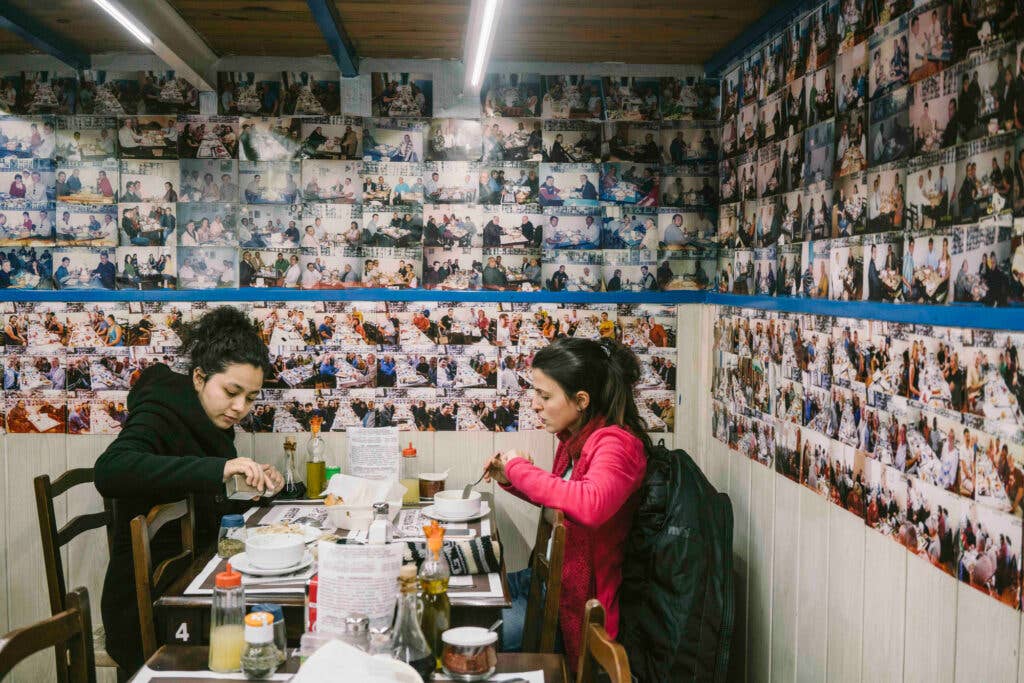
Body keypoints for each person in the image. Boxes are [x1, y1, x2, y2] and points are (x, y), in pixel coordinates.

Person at [94, 307, 283, 674]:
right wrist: (221, 468)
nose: (241, 407)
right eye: (232, 391)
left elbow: (204, 491)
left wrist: (257, 483)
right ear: (199, 377)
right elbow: (110, 470)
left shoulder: (209, 416)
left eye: (251, 397)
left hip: (193, 579)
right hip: (147, 604)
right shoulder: (160, 410)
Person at [482, 337, 648, 669]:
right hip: (545, 586)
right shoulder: (576, 437)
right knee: (461, 604)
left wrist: (518, 467)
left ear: (581, 400)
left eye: (544, 396)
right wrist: (509, 480)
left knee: (474, 637)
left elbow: (590, 503)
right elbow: (564, 499)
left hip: (572, 607)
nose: (534, 405)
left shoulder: (617, 444)